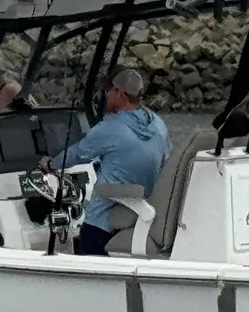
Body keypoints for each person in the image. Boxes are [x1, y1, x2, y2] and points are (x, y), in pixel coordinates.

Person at [53, 67, 170, 256]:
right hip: (141, 214)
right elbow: (165, 162)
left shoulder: (110, 128)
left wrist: (48, 164)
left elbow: (74, 155)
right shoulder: (158, 125)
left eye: (108, 90)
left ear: (120, 93)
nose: (105, 94)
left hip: (102, 222)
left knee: (89, 227)